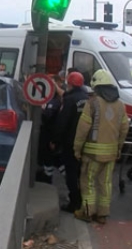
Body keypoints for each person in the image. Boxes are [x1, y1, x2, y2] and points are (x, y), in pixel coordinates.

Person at [72, 69, 129, 224]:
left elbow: (82, 129)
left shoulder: (92, 104)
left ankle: (88, 212)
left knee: (88, 181)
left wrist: (77, 149)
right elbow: (124, 128)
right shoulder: (120, 105)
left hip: (92, 153)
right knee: (105, 182)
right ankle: (103, 214)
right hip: (111, 153)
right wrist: (119, 147)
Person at [53, 71, 89, 212]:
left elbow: (63, 122)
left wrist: (55, 140)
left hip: (70, 142)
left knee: (71, 173)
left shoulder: (69, 100)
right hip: (85, 141)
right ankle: (82, 199)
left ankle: (74, 202)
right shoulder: (86, 98)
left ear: (70, 84)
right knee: (82, 173)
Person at [36, 74, 65, 184]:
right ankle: (48, 177)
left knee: (53, 159)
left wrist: (42, 110)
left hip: (50, 136)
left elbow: (48, 116)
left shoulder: (55, 101)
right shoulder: (50, 100)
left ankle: (49, 179)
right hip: (48, 136)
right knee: (51, 159)